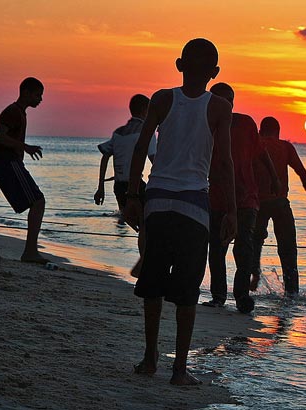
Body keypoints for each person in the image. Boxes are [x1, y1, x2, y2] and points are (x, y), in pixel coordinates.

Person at [123, 38, 237, 386]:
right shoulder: (219, 106)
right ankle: (179, 369)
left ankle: (149, 358)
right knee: (187, 292)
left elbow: (142, 147)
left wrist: (132, 195)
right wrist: (230, 210)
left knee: (153, 284)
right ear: (215, 73)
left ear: (179, 65)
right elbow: (223, 162)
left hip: (157, 201)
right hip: (193, 207)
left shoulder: (162, 98)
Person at [201, 82, 278, 313]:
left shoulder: (245, 123)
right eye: (220, 100)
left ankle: (242, 296)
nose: (226, 105)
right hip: (216, 198)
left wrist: (274, 178)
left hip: (246, 198)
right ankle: (218, 295)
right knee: (216, 248)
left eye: (229, 100)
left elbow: (260, 153)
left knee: (244, 249)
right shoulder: (206, 126)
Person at [251, 116, 306, 297]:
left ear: (261, 131)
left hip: (257, 204)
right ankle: (292, 293)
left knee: (255, 242)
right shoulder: (285, 147)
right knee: (288, 250)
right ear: (278, 132)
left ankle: (254, 274)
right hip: (280, 204)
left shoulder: (255, 145)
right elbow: (302, 173)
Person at [94, 94, 157, 276]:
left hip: (119, 188)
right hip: (136, 186)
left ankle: (143, 262)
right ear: (146, 110)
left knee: (142, 226)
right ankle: (143, 264)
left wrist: (100, 186)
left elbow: (105, 155)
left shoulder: (119, 132)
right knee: (148, 225)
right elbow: (154, 159)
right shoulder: (146, 131)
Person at [0, 77, 47, 264]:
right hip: (9, 162)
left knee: (37, 201)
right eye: (38, 95)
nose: (40, 99)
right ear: (26, 93)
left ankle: (31, 251)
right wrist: (25, 148)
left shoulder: (20, 113)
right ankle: (30, 252)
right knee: (38, 201)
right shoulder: (13, 112)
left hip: (7, 163)